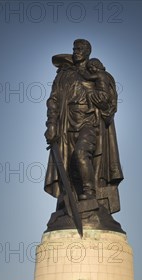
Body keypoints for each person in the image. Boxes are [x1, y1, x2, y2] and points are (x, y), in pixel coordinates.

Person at [44, 39, 123, 212]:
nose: (76, 51)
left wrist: (96, 97)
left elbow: (109, 103)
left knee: (81, 154)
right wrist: (51, 124)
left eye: (80, 48)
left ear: (88, 51)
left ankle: (90, 192)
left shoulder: (99, 74)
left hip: (90, 123)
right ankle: (72, 202)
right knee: (69, 166)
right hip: (66, 125)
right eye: (74, 48)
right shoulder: (63, 75)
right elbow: (54, 100)